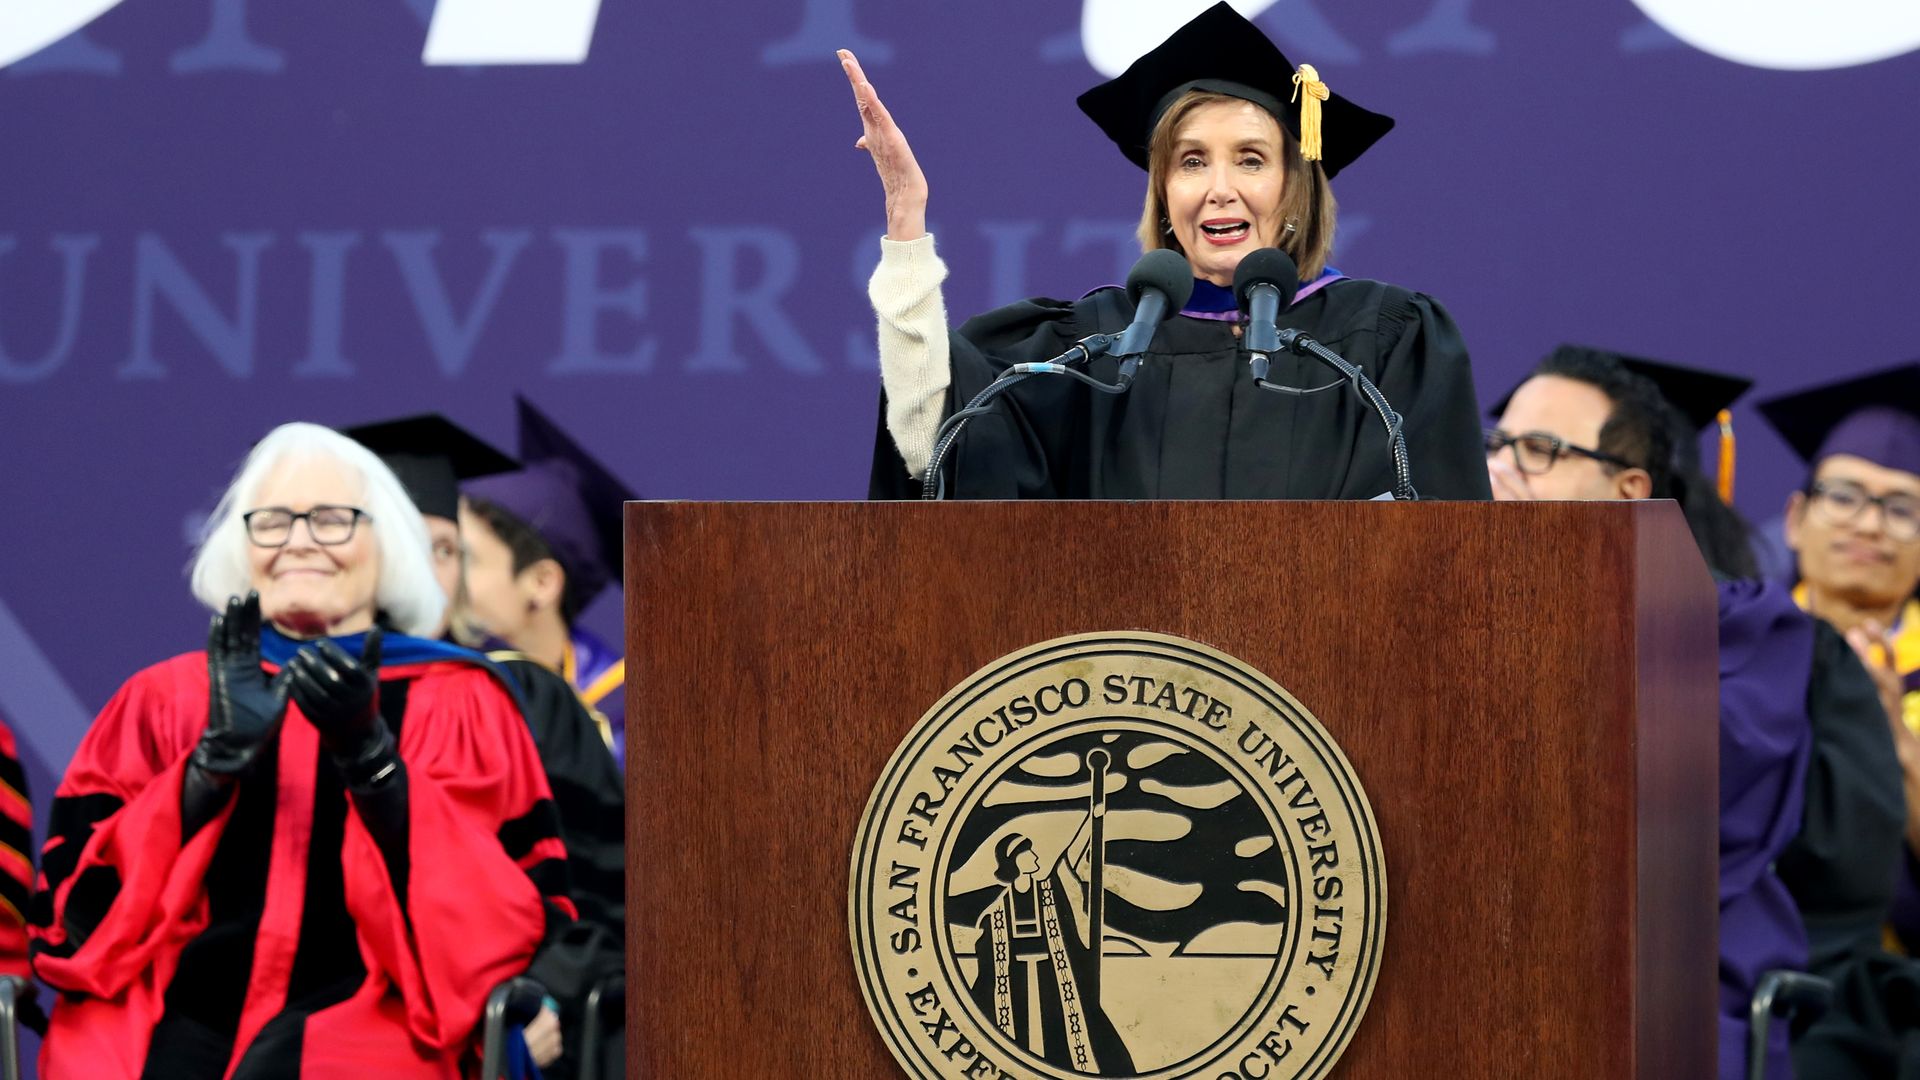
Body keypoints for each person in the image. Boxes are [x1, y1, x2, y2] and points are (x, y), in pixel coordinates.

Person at [27, 422, 573, 1078]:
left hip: (382, 1018)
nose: (299, 541)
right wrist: (208, 767)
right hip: (168, 1016)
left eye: (332, 519)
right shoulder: (163, 700)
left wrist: (375, 764)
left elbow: (513, 919)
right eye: (273, 521)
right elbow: (71, 916)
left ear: (391, 546)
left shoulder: (459, 702)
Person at [846, 1, 1489, 501]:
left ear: (1296, 187)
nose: (1218, 190)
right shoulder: (1089, 349)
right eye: (1190, 162)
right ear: (1163, 194)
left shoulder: (1384, 343)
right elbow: (935, 444)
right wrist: (907, 226)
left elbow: (1440, 550)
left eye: (1251, 159)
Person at [1487, 344, 1903, 1080]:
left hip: (1635, 984)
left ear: (1630, 489)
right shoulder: (1433, 612)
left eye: (1539, 450)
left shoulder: (1735, 631)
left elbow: (1663, 806)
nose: (1499, 468)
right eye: (1495, 444)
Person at [345, 413, 625, 1080]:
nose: (445, 579)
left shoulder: (526, 700)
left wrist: (535, 993)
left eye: (450, 554)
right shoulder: (287, 695)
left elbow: (602, 894)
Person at [462, 397, 635, 764]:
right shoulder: (432, 691)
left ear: (542, 583)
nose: (438, 579)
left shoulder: (634, 721)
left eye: (463, 559)